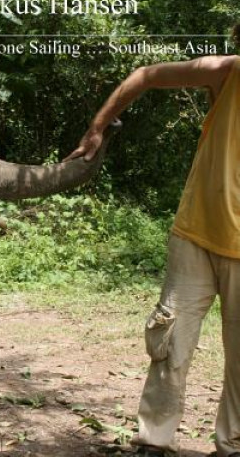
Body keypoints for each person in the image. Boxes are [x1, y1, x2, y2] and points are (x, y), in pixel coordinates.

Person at [64, 25, 240, 457]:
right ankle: (154, 441)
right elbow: (145, 75)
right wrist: (96, 128)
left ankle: (233, 444)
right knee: (170, 339)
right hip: (196, 234)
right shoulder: (226, 73)